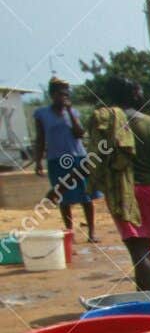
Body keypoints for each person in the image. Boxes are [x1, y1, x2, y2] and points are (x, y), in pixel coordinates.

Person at [87, 76, 150, 292]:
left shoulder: (105, 124)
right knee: (144, 247)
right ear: (133, 93)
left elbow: (96, 160)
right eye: (140, 90)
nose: (143, 95)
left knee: (138, 251)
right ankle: (148, 296)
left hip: (121, 192)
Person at [33, 77, 97, 243]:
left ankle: (92, 233)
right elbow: (40, 139)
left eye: (66, 94)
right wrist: (38, 160)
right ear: (53, 95)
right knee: (64, 198)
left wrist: (69, 113)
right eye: (61, 94)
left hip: (78, 158)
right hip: (56, 161)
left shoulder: (73, 112)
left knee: (86, 197)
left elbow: (80, 133)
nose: (64, 97)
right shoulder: (42, 114)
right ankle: (70, 234)